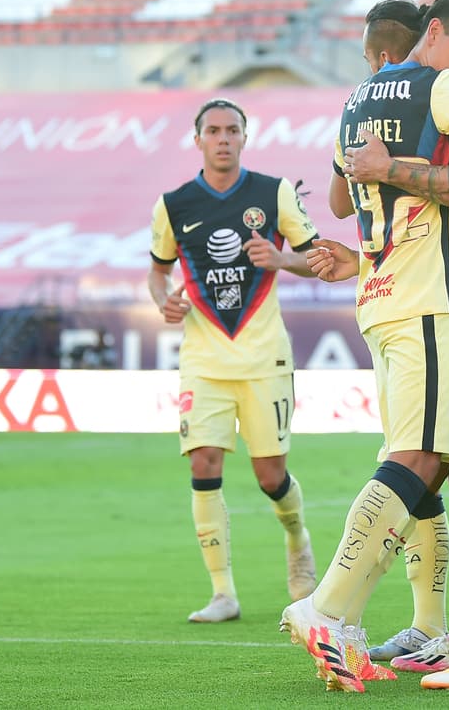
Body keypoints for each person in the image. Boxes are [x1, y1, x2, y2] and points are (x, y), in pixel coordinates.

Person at [280, 0, 449, 693]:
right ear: (434, 33)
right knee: (423, 457)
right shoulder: (446, 89)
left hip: (379, 294)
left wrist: (386, 164)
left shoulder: (356, 98)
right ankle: (328, 607)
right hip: (429, 298)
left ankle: (361, 618)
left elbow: (338, 198)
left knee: (422, 462)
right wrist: (428, 164)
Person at [147, 98, 320, 625]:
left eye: (232, 130)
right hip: (203, 358)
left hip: (264, 355)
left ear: (245, 137)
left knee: (271, 476)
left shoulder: (274, 193)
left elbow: (316, 260)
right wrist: (163, 300)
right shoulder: (174, 204)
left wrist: (281, 257)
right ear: (197, 139)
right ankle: (223, 592)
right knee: (204, 464)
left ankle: (297, 537)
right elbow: (158, 270)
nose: (223, 138)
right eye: (213, 130)